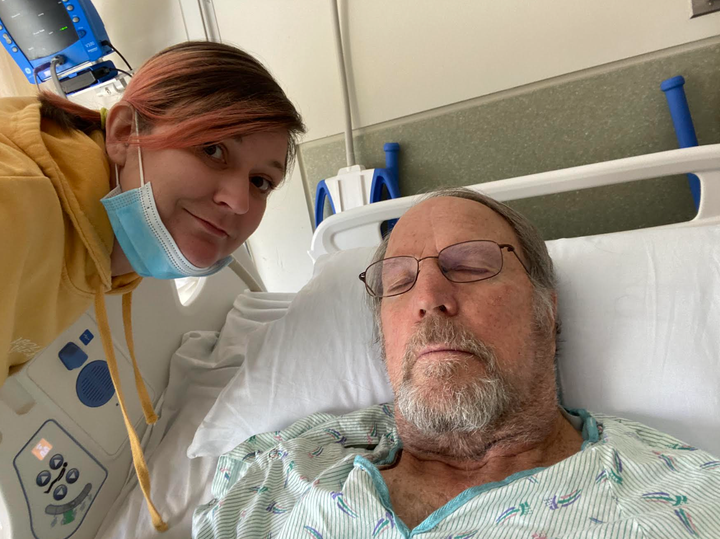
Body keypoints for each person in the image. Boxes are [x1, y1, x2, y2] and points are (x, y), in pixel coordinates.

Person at [193, 188, 720, 538]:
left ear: (547, 308)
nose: (428, 296)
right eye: (397, 281)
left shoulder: (684, 501)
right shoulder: (277, 468)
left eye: (470, 264)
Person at [0, 41, 305, 530]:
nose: (240, 202)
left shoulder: (103, 233)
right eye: (212, 149)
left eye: (261, 182)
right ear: (124, 133)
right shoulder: (15, 208)